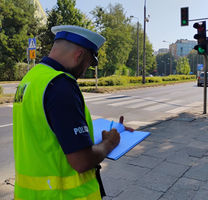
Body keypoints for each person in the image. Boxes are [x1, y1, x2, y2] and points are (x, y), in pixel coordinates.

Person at [13, 25, 133, 199]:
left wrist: (115, 130)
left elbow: (46, 133)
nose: (85, 72)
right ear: (79, 55)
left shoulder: (31, 78)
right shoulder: (61, 85)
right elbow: (81, 161)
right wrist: (110, 143)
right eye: (89, 64)